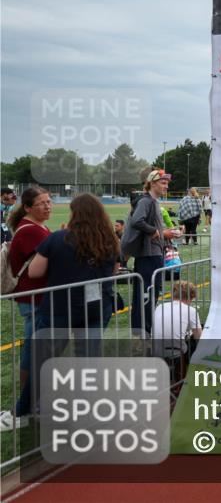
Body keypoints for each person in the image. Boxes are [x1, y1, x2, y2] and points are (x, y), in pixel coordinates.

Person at [28, 193, 119, 358]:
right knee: (88, 359)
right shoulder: (110, 239)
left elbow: (34, 271)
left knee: (43, 361)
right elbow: (114, 270)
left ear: (75, 214)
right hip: (97, 306)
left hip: (60, 306)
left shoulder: (57, 237)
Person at [6, 188, 52, 425]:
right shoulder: (32, 230)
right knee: (34, 350)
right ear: (27, 207)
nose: (48, 206)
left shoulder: (37, 228)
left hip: (37, 297)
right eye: (42, 203)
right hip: (33, 298)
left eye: (49, 201)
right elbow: (48, 259)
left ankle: (31, 401)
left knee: (35, 348)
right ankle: (29, 404)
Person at [122, 169, 182, 334]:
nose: (166, 186)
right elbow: (136, 221)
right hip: (149, 255)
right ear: (152, 183)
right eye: (163, 182)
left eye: (167, 183)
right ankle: (144, 331)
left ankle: (142, 330)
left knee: (149, 294)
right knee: (148, 294)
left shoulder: (153, 202)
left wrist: (165, 233)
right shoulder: (146, 201)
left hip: (152, 254)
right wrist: (155, 232)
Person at [151, 280, 202, 381]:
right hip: (174, 351)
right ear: (190, 297)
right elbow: (199, 338)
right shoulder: (191, 310)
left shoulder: (160, 307)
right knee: (195, 345)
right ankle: (189, 378)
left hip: (154, 349)